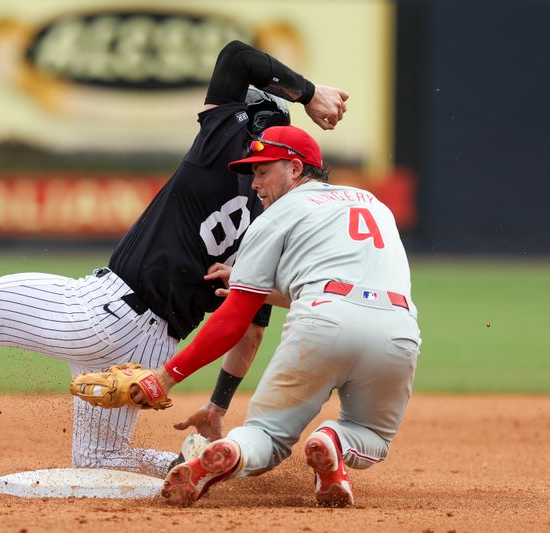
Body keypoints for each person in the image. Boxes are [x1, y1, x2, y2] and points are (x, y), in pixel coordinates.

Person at [0, 41, 350, 483]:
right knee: (99, 460)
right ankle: (196, 463)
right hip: (155, 345)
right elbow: (250, 332)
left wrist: (307, 93)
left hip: (107, 311)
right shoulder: (273, 228)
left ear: (249, 130)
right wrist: (216, 405)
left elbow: (236, 56)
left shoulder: (221, 144)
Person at [118, 125, 420, 506]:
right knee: (371, 435)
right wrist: (253, 284)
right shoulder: (373, 202)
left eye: (263, 171)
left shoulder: (274, 217)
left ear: (295, 168)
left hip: (321, 324)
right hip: (396, 330)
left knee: (267, 435)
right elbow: (346, 289)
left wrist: (166, 376)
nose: (255, 184)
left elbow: (235, 320)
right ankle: (335, 442)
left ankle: (232, 452)